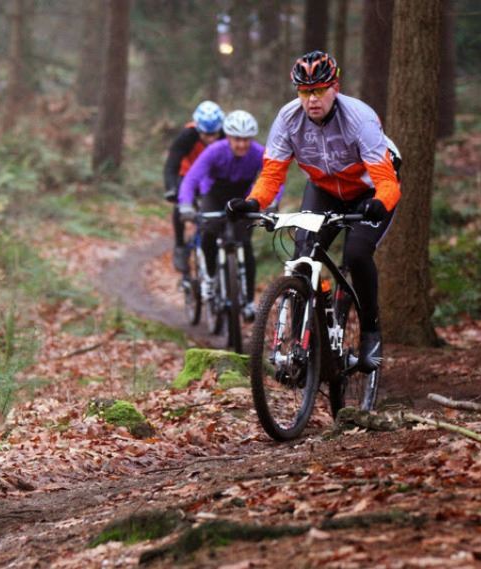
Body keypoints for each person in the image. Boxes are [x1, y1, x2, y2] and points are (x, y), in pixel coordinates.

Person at [227, 50, 400, 373]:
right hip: (324, 189)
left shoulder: (359, 118)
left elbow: (387, 182)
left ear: (335, 88)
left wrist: (379, 203)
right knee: (304, 256)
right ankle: (301, 348)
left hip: (369, 190)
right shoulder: (287, 119)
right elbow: (272, 174)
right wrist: (253, 203)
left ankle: (371, 330)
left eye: (319, 90)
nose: (312, 99)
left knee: (358, 254)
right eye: (305, 92)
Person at [178, 110, 267, 321]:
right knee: (208, 232)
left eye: (246, 139)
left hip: (242, 198)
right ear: (228, 137)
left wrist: (270, 203)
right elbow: (191, 179)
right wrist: (185, 205)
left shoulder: (259, 153)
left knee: (244, 243)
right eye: (237, 139)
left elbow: (272, 179)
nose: (242, 145)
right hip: (214, 195)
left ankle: (248, 301)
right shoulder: (215, 151)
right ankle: (209, 277)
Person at [163, 100, 225, 274]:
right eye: (206, 134)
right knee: (180, 205)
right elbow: (171, 164)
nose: (211, 139)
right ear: (198, 128)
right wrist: (171, 188)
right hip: (188, 174)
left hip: (214, 176)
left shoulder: (226, 134)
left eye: (214, 134)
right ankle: (180, 246)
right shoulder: (187, 135)